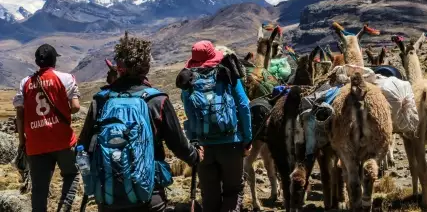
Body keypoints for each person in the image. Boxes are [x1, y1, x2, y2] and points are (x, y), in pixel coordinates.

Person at [78, 32, 203, 212]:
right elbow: (178, 144)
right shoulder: (156, 100)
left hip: (108, 195)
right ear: (145, 67)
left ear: (119, 67)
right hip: (149, 195)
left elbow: (83, 146)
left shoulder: (102, 100)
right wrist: (195, 156)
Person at [176, 40, 252, 212]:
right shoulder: (227, 74)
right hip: (231, 143)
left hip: (203, 147)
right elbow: (243, 106)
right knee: (233, 191)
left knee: (210, 195)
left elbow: (188, 114)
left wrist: (194, 141)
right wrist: (247, 139)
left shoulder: (188, 81)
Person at [13, 43, 81, 212]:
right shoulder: (66, 79)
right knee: (71, 174)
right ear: (54, 61)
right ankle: (63, 208)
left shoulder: (25, 83)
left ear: (37, 61)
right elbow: (75, 107)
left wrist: (23, 142)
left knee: (39, 188)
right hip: (62, 140)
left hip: (35, 144)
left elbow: (20, 115)